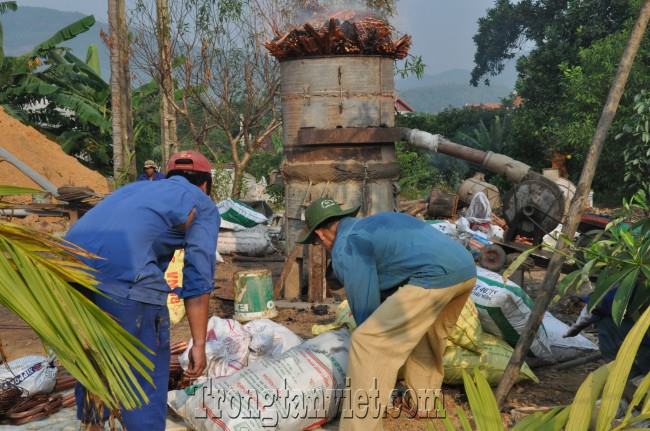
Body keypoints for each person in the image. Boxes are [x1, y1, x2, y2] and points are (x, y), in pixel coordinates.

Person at [65, 150, 220, 430]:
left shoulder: (134, 189)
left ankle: (93, 425)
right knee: (143, 375)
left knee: (93, 358)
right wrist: (198, 344)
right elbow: (198, 278)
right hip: (128, 279)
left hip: (67, 273)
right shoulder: (202, 203)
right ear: (205, 184)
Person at [296, 198, 477, 431]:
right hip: (465, 268)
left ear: (321, 235)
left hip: (434, 276)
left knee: (368, 343)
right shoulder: (375, 222)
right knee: (427, 336)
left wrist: (369, 332)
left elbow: (366, 308)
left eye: (317, 242)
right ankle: (424, 402)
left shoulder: (347, 244)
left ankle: (360, 428)